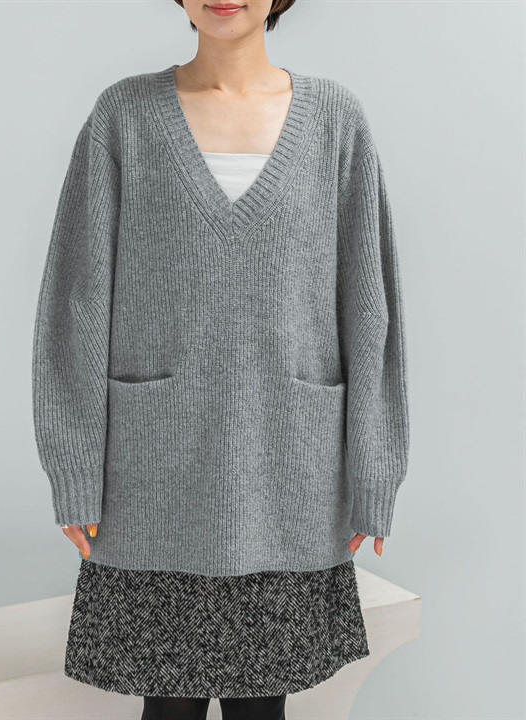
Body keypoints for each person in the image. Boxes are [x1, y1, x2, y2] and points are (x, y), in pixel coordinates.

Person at [31, 1, 411, 718]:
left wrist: (374, 468)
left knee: (261, 711)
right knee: (167, 709)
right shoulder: (124, 117)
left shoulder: (337, 122)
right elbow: (75, 303)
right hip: (154, 486)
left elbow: (371, 310)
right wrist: (73, 467)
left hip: (287, 480)